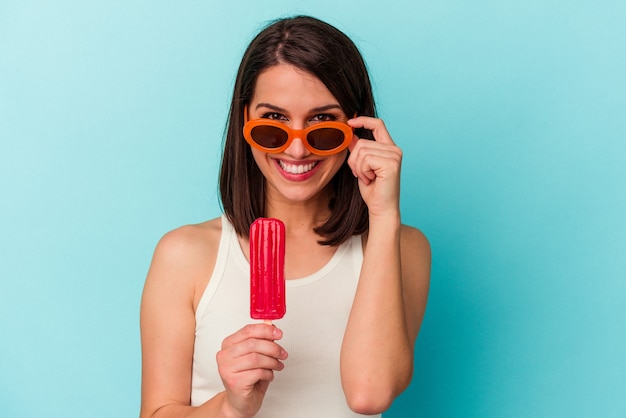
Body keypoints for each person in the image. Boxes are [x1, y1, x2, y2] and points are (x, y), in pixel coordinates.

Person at [140, 15, 430, 418]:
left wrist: (382, 215)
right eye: (274, 123)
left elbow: (369, 395)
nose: (296, 151)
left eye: (322, 124)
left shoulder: (402, 246)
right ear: (245, 121)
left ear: (357, 130)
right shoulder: (184, 255)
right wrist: (230, 406)